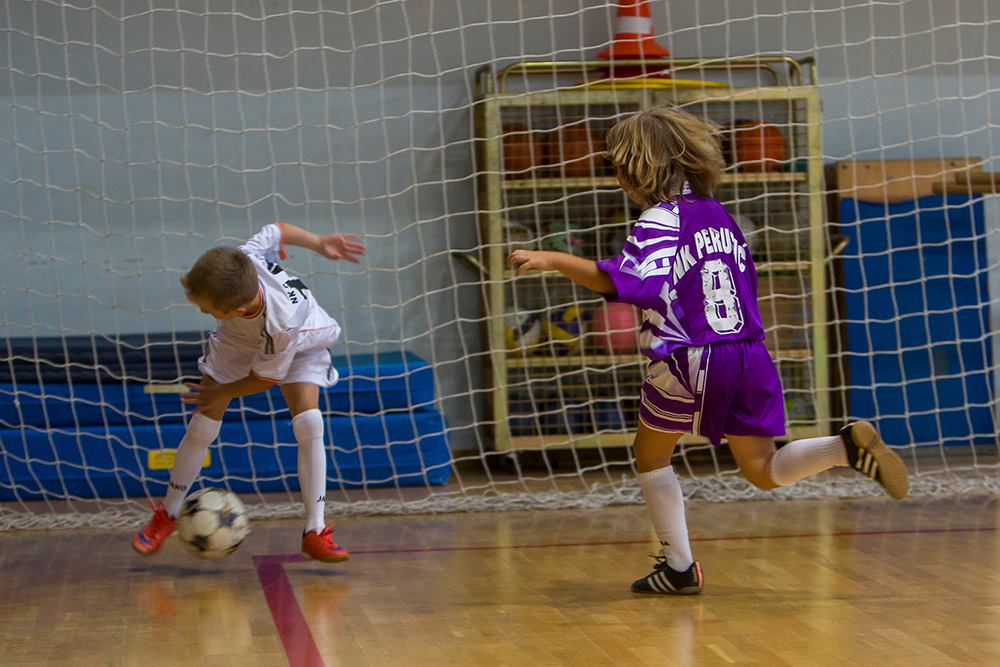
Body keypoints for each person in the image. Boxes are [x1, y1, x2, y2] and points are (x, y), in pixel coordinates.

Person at [507, 107, 909, 595]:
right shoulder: (719, 215)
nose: (616, 177)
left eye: (618, 167)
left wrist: (553, 259)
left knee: (650, 454)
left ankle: (679, 568)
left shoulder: (660, 218)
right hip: (749, 352)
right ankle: (842, 448)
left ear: (638, 170)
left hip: (693, 357)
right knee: (762, 469)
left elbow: (628, 282)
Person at [132, 222, 365, 562]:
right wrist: (317, 242)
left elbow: (265, 379)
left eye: (208, 309)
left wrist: (223, 392)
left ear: (238, 311)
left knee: (309, 423)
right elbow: (278, 229)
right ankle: (167, 515)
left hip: (300, 342)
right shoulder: (244, 258)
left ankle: (315, 531)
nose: (203, 312)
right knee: (202, 425)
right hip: (236, 344)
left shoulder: (281, 322)